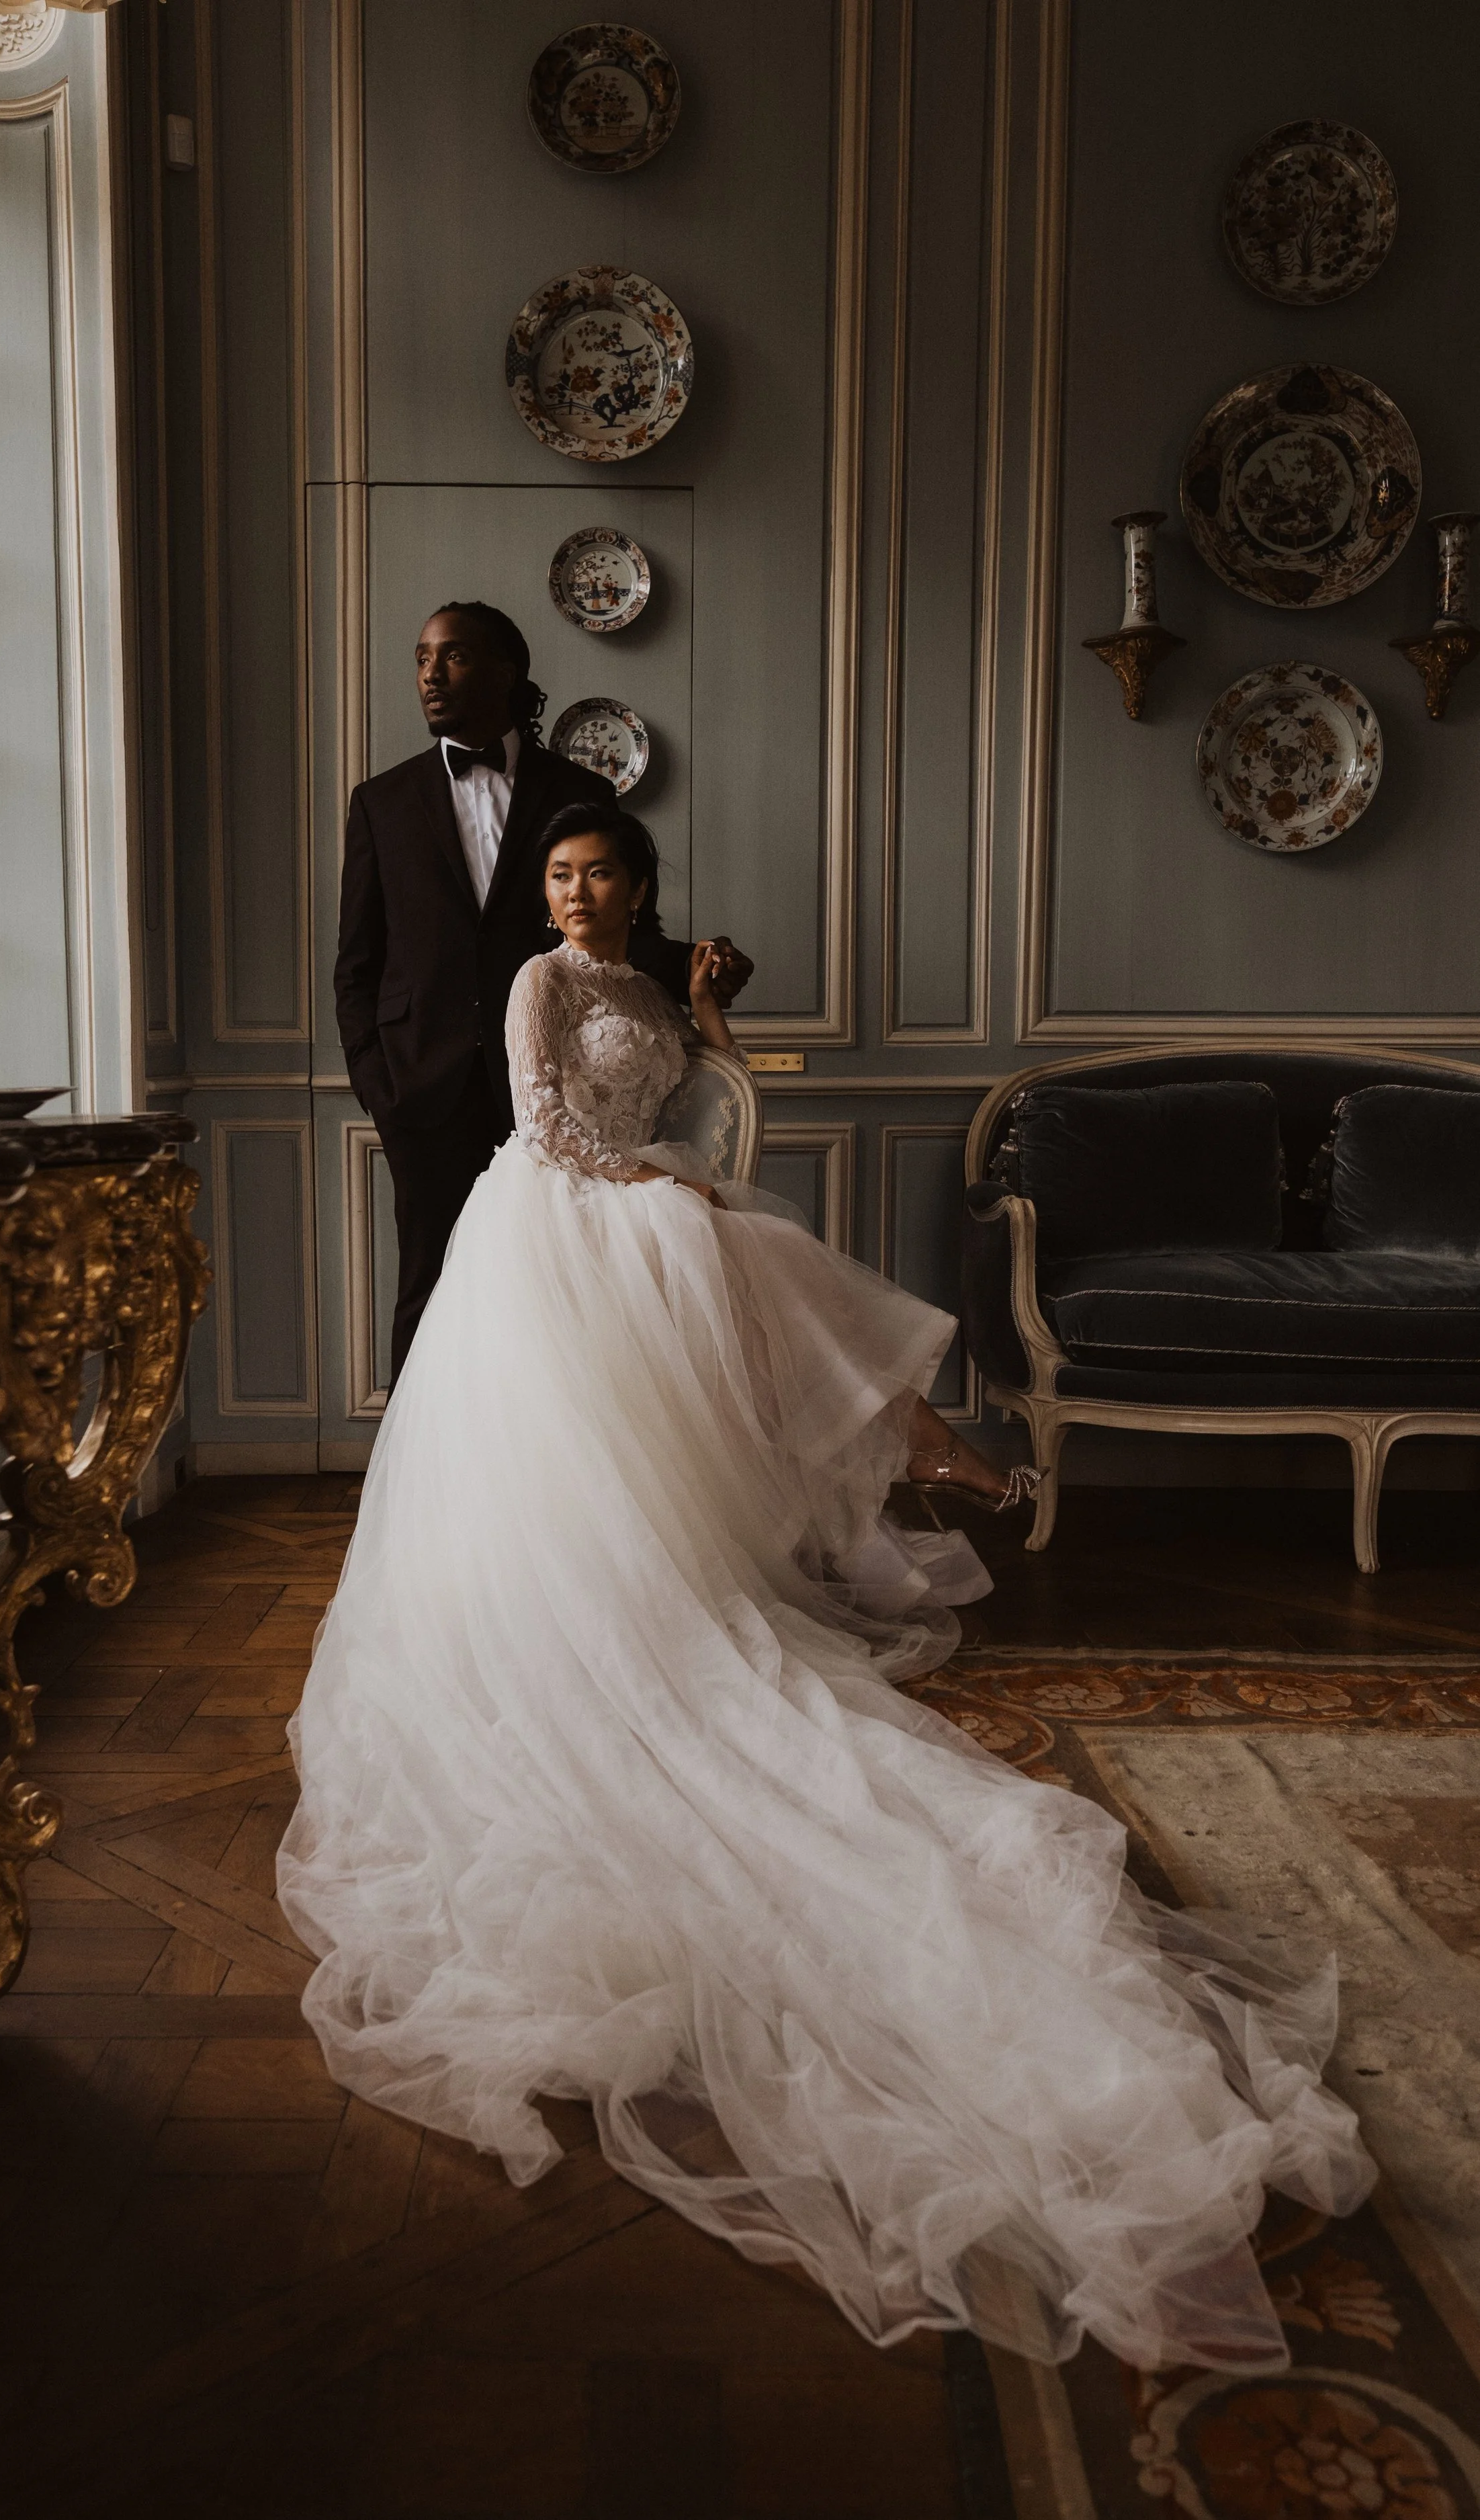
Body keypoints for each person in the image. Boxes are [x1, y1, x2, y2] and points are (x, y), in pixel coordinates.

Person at [281, 798, 1372, 2372]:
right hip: (559, 1232)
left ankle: (942, 1458)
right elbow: (547, 1128)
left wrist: (711, 1027)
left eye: (601, 874)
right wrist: (669, 1194)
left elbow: (697, 1084)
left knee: (762, 1267)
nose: (576, 889)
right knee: (754, 1263)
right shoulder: (540, 981)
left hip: (651, 1209)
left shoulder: (651, 985)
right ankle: (954, 1462)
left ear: (639, 886)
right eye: (562, 872)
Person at [333, 600, 752, 1376]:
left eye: (454, 656)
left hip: (557, 1082)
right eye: (422, 657)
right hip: (421, 1085)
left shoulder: (579, 789)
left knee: (558, 1298)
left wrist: (703, 963)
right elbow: (356, 961)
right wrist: (376, 1080)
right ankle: (423, 1487)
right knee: (429, 1287)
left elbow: (621, 934)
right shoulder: (381, 802)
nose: (431, 672)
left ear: (506, 670)